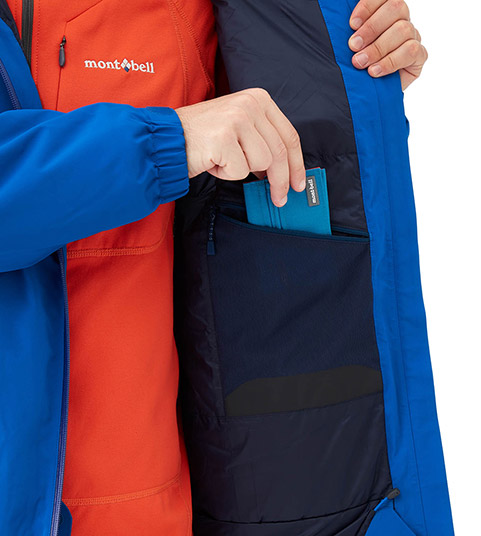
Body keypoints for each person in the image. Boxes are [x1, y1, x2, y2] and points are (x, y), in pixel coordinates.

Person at [0, 0, 428, 535]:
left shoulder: (193, 14)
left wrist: (353, 80)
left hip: (157, 512)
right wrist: (167, 141)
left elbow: (262, 166)